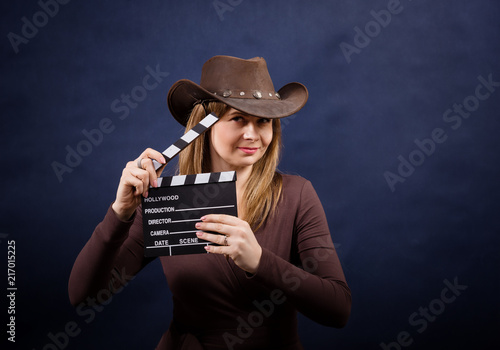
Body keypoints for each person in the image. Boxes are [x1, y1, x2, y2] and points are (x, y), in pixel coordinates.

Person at [68, 55, 351, 349]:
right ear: (205, 125)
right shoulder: (168, 201)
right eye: (238, 118)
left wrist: (260, 261)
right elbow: (84, 296)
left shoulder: (296, 194)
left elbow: (338, 309)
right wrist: (120, 214)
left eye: (263, 120)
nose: (252, 134)